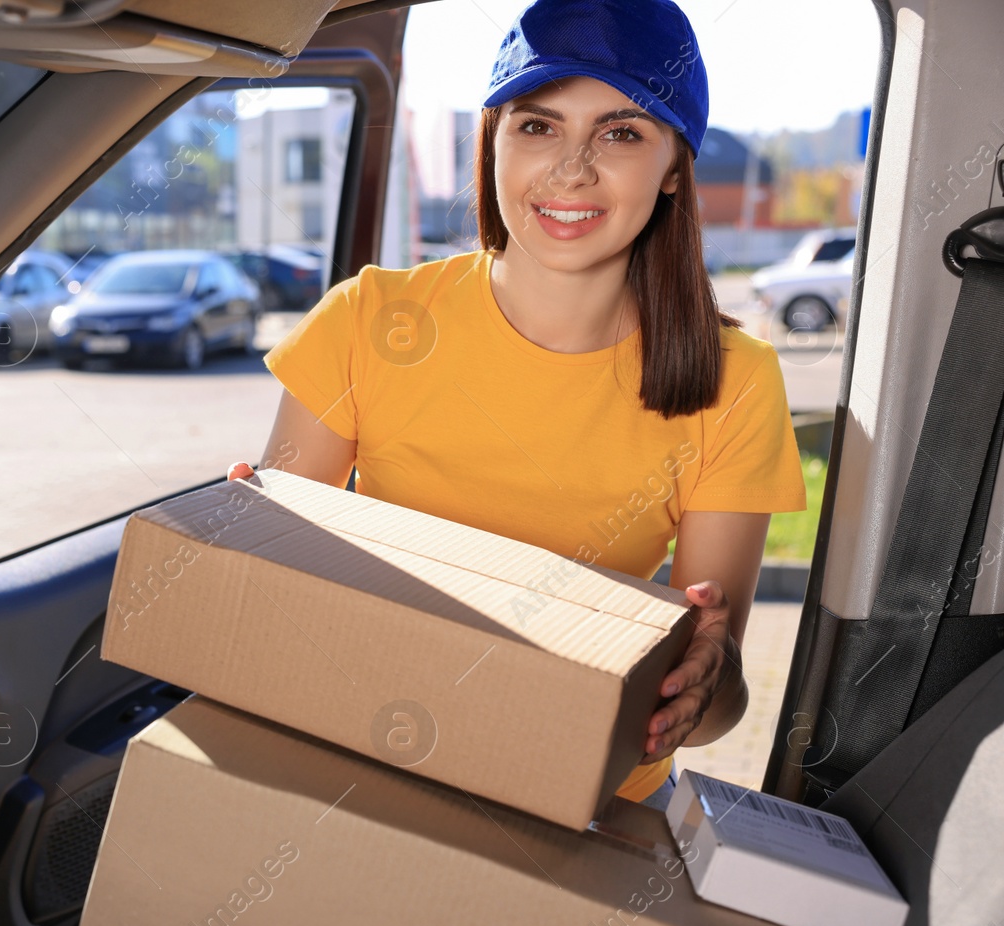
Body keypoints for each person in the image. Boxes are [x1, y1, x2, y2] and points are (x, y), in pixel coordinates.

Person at [228, 0, 807, 811]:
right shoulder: (370, 320)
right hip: (375, 742)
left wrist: (706, 684)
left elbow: (713, 706)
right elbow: (292, 598)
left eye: (622, 132)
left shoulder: (733, 377)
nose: (571, 170)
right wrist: (250, 553)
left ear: (676, 165)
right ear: (493, 139)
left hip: (587, 793)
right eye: (537, 127)